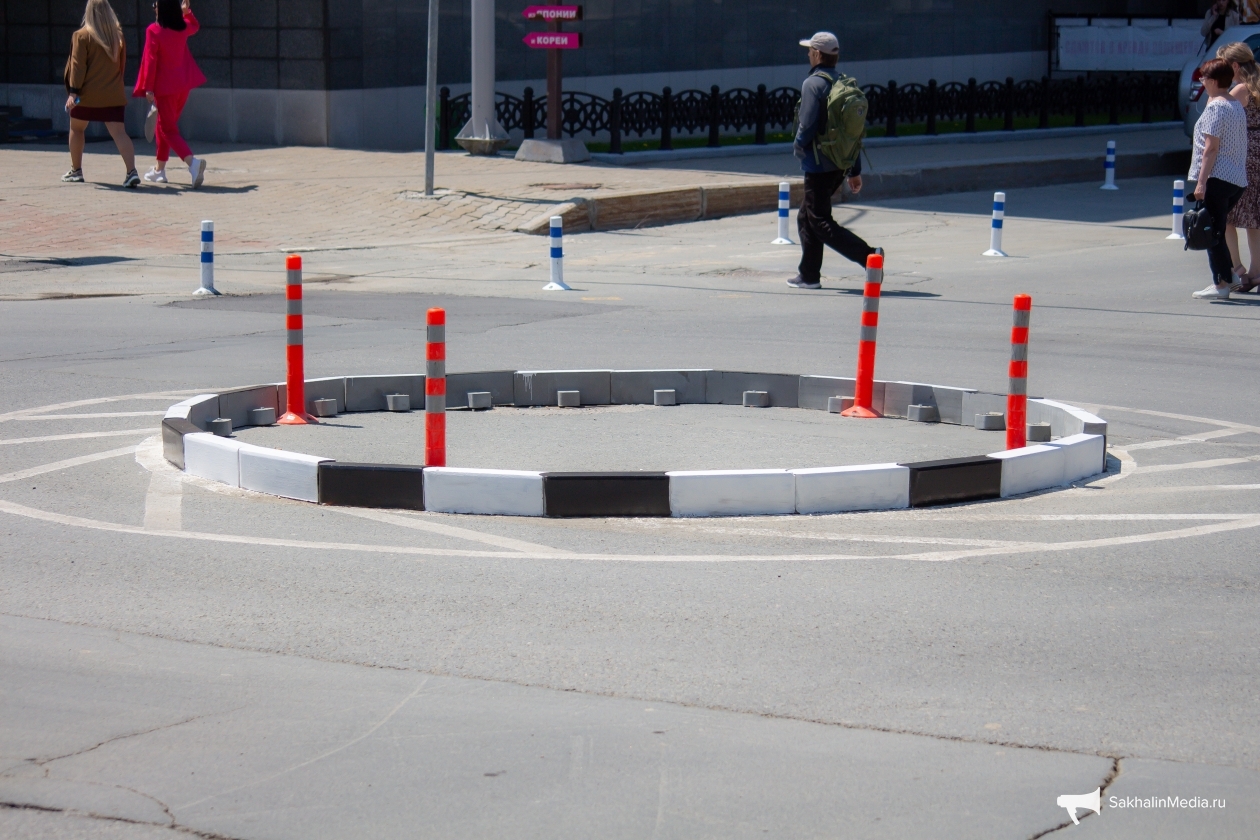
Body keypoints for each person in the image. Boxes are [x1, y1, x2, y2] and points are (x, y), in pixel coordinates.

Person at [786, 32, 877, 290]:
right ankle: (809, 275)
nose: (807, 55)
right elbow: (852, 134)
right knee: (807, 216)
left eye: (809, 51)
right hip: (839, 163)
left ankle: (870, 257)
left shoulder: (813, 84)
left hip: (818, 163)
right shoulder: (843, 82)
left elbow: (807, 123)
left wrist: (798, 145)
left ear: (816, 54)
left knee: (820, 220)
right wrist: (854, 170)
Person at [1189, 58, 1249, 300]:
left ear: (1213, 81)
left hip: (1217, 178)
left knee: (1209, 231)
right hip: (1236, 179)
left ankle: (1221, 284)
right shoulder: (1234, 104)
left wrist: (1201, 182)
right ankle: (1228, 276)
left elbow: (1211, 148)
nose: (1202, 82)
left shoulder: (1215, 108)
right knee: (1217, 229)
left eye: (1204, 78)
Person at [61, 0, 138, 187]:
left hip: (85, 96)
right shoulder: (117, 36)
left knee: (77, 128)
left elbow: (78, 67)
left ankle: (76, 170)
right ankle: (131, 172)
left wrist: (73, 93)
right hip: (112, 95)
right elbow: (121, 65)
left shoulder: (81, 36)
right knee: (120, 134)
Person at [134, 0, 208, 188]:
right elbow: (195, 26)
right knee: (164, 127)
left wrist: (148, 87)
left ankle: (193, 163)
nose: (154, 8)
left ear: (162, 9)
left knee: (168, 129)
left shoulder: (154, 30)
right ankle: (159, 170)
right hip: (182, 86)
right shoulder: (181, 27)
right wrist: (186, 12)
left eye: (156, 5)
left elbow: (151, 60)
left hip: (164, 88)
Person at [1218, 42, 1260, 293]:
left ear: (1234, 66)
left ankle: (1237, 269)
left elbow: (1220, 117)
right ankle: (1256, 272)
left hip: (1243, 154)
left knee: (1228, 213)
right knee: (1254, 215)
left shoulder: (1241, 90)